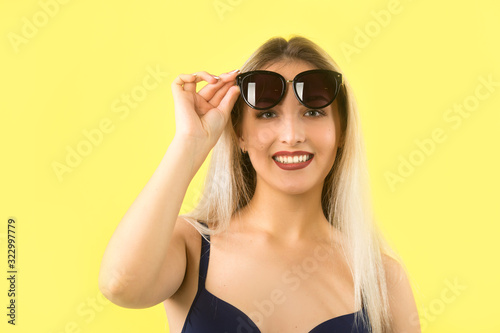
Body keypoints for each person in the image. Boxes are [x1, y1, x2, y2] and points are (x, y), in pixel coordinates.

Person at [98, 36, 421, 333]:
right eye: (268, 115)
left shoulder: (381, 279)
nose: (292, 135)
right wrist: (188, 143)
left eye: (313, 112)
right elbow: (120, 285)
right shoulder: (191, 246)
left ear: (341, 132)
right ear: (239, 132)